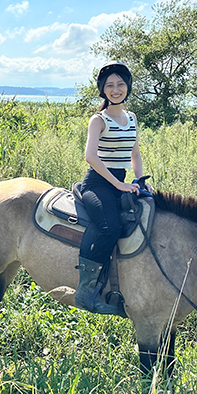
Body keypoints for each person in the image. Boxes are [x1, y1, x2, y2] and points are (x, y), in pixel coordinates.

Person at [75, 61, 150, 314]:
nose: (115, 90)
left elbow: (135, 154)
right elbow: (91, 157)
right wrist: (119, 183)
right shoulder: (98, 120)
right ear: (102, 90)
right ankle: (86, 293)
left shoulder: (131, 118)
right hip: (98, 183)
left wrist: (138, 181)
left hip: (122, 182)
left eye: (120, 84)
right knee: (110, 228)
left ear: (127, 87)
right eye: (110, 85)